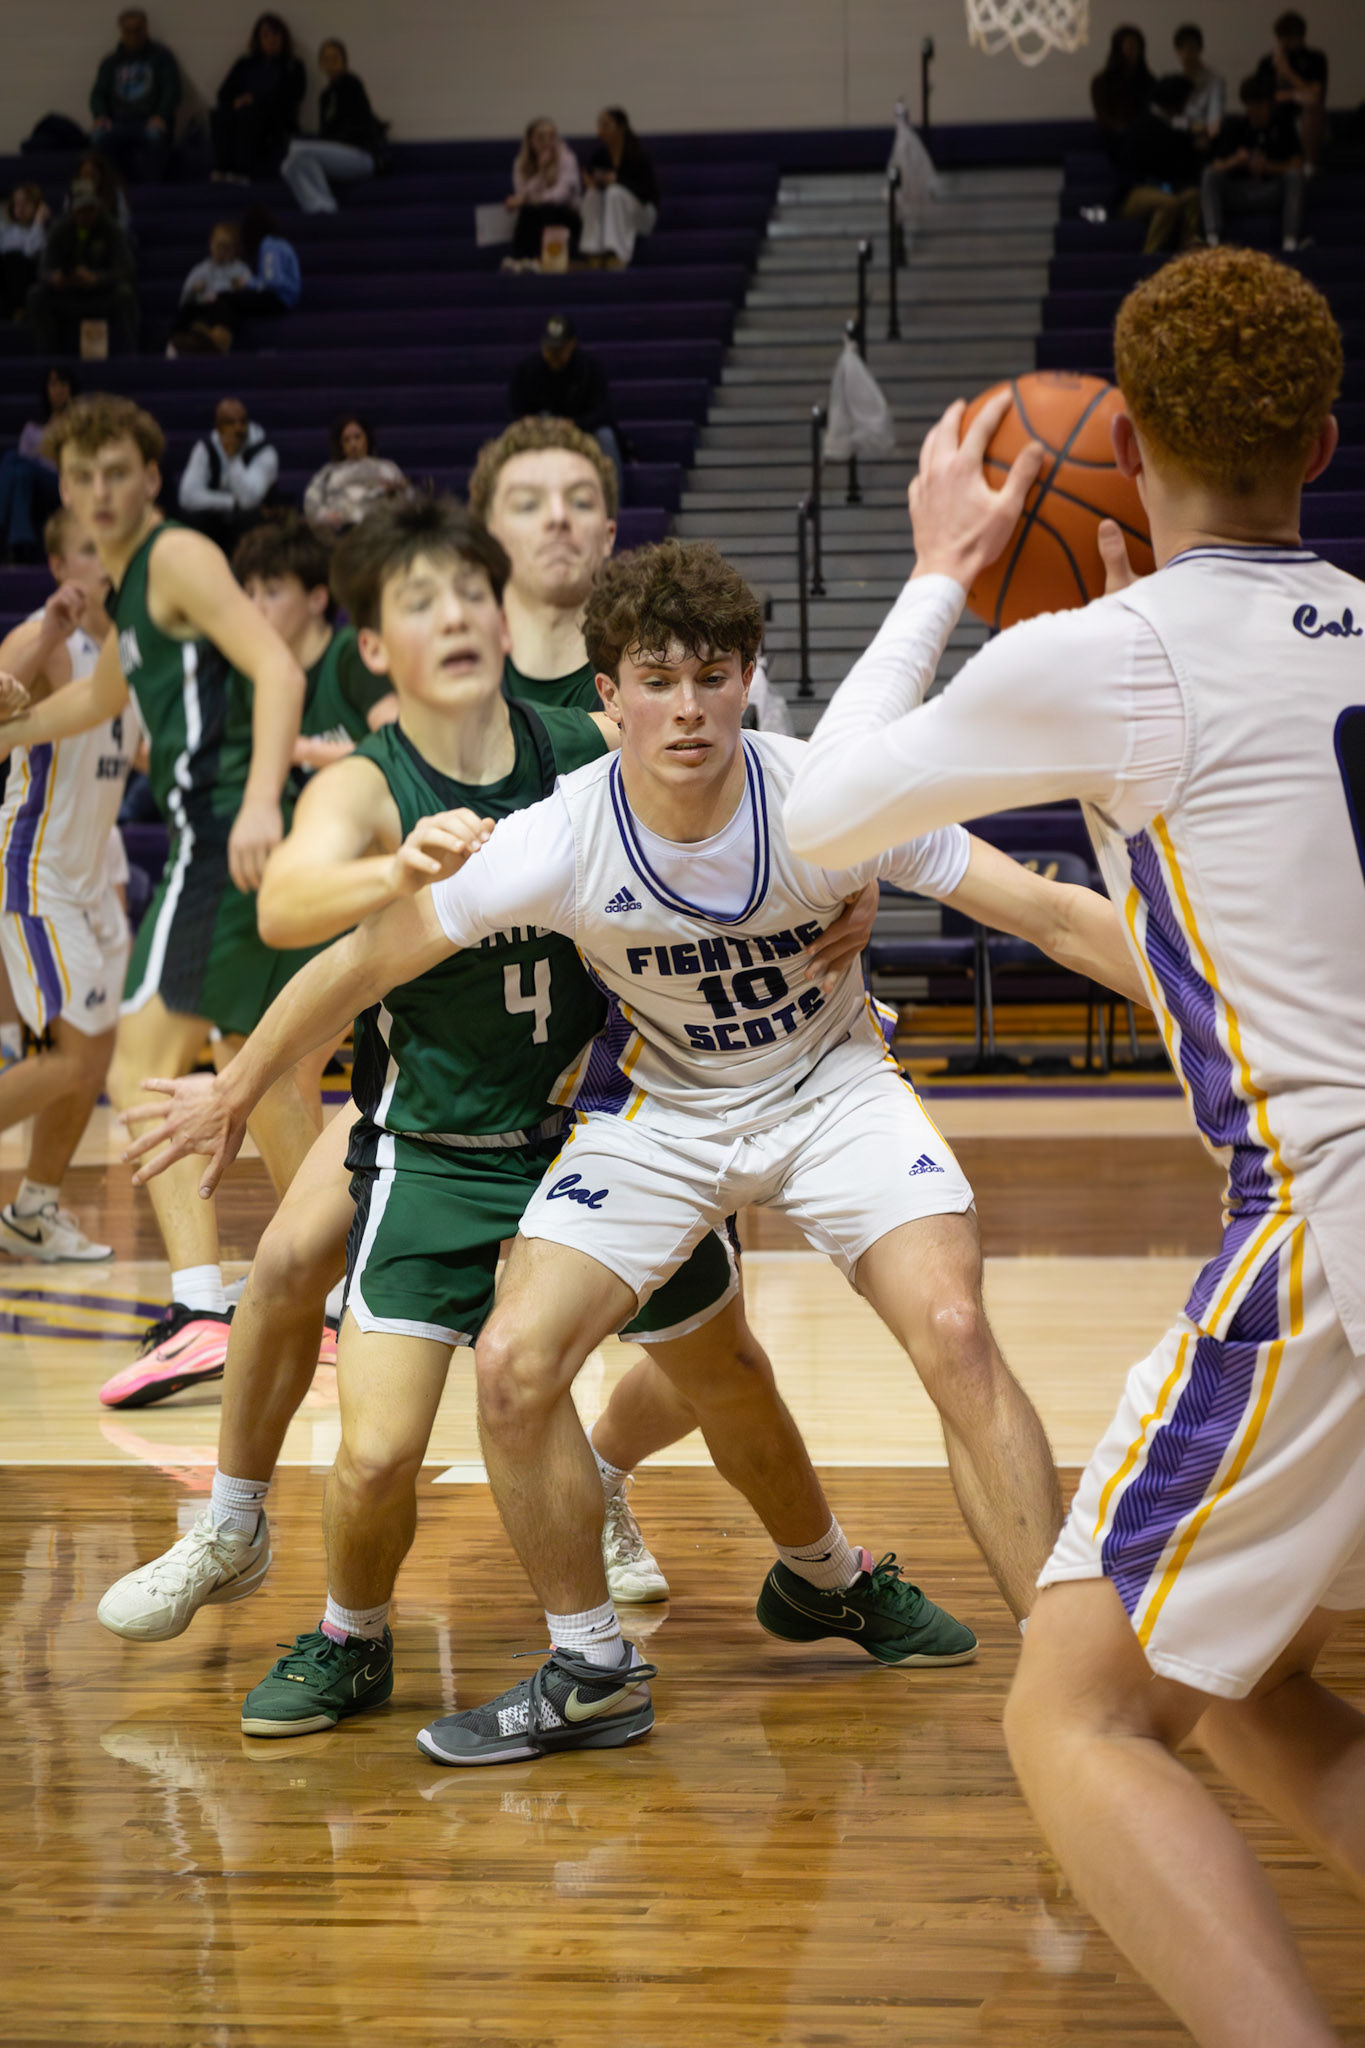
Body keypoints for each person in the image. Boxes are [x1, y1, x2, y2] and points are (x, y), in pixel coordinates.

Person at [123, 527, 1149, 1762]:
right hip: (669, 1111)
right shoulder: (560, 833)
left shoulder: (827, 800)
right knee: (514, 1360)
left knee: (952, 1324)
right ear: (607, 697)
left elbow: (1053, 913)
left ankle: (1069, 1673)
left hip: (834, 1087)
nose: (689, 706)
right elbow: (362, 959)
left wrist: (1229, 1013)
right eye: (658, 680)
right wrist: (234, 1087)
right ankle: (592, 1669)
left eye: (713, 675)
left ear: (750, 678)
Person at [782, 247, 1364, 2048]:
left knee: (1074, 1705)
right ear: (1321, 442)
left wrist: (944, 574)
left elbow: (815, 817)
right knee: (1243, 1677)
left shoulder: (1116, 655)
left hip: (1329, 1222)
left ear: (1131, 437)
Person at [0, 393, 318, 1397]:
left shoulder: (174, 556)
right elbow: (100, 699)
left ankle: (199, 1310)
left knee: (138, 1063)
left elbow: (277, 669)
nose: (98, 491)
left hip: (219, 832)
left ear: (150, 475)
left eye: (115, 472)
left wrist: (258, 801)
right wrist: (10, 730)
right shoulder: (131, 589)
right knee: (262, 1067)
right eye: (80, 476)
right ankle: (332, 1287)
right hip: (221, 833)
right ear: (65, 488)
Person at [0, 507, 137, 1262]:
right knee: (66, 1054)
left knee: (92, 1054)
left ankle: (33, 1210)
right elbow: (7, 678)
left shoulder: (128, 657)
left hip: (86, 887)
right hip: (36, 872)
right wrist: (51, 625)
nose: (104, 561)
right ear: (57, 568)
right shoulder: (55, 641)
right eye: (87, 551)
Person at [229, 511, 397, 779]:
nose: (256, 608)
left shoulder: (351, 654)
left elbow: (400, 750)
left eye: (272, 592)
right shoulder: (251, 675)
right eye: (250, 593)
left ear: (317, 599)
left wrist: (306, 751)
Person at [26, 178, 138, 356]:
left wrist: (96, 278)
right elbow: (44, 270)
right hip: (68, 294)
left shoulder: (111, 228)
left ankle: (130, 358)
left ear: (97, 208)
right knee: (36, 296)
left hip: (99, 294)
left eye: (90, 209)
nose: (86, 215)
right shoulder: (59, 229)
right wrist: (55, 278)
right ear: (72, 210)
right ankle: (49, 361)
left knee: (125, 295)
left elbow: (126, 269)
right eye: (81, 210)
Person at [507, 317, 623, 484]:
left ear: (572, 344)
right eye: (550, 349)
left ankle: (614, 497)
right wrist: (532, 422)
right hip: (539, 432)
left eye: (560, 349)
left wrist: (575, 424)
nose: (554, 355)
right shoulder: (527, 370)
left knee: (606, 436)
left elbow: (603, 412)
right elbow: (513, 412)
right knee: (512, 437)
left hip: (581, 430)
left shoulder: (589, 369)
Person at [1202, 74, 1307, 254]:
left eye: (1260, 104)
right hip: (1239, 192)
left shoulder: (1283, 126)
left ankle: (1290, 239)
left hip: (1271, 191)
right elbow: (1216, 165)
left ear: (1269, 104)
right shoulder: (1234, 127)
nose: (1256, 110)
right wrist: (1236, 161)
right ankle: (1212, 239)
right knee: (1210, 175)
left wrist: (1268, 167)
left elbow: (1297, 165)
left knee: (1295, 177)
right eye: (1251, 105)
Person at [281, 39, 384, 214]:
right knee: (288, 164)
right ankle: (319, 207)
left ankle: (325, 204)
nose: (331, 62)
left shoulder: (352, 84)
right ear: (321, 63)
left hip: (359, 153)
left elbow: (360, 123)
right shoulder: (325, 96)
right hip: (337, 153)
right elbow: (325, 134)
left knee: (297, 149)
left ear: (344, 60)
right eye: (326, 59)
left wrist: (334, 141)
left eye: (335, 57)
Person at [89, 8, 181, 184]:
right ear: (121, 31)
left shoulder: (161, 58)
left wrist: (161, 115)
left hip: (148, 119)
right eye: (128, 31)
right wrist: (100, 115)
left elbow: (172, 91)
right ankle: (113, 186)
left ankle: (153, 189)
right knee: (98, 136)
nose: (133, 36)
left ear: (145, 29)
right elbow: (98, 93)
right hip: (117, 121)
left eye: (137, 30)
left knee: (154, 135)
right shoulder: (111, 62)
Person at [211, 14, 305, 185]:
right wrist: (235, 101)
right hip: (241, 113)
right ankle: (222, 168)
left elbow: (291, 96)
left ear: (283, 38)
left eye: (276, 35)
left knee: (249, 113)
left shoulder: (292, 66)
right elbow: (223, 93)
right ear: (258, 39)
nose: (271, 40)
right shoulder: (245, 64)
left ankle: (242, 171)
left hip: (274, 119)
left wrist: (256, 100)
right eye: (266, 35)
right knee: (221, 113)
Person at [177, 397, 279, 552]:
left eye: (242, 421)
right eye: (230, 423)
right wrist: (229, 502)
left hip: (250, 525)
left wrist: (233, 458)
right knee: (193, 518)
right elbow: (187, 496)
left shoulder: (264, 451)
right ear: (218, 427)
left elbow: (248, 501)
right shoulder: (205, 449)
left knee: (248, 517)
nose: (238, 428)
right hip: (216, 523)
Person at [1118, 74, 1203, 254]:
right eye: (1186, 101)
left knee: (1193, 196)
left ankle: (1188, 254)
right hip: (1136, 190)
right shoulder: (1143, 126)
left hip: (1171, 187)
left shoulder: (1176, 126)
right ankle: (1149, 256)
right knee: (1169, 204)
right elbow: (1144, 168)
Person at [0, 368, 73, 563]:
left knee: (11, 458)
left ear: (70, 388)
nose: (58, 389)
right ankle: (19, 544)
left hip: (60, 482)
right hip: (33, 484)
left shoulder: (75, 424)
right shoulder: (32, 429)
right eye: (53, 384)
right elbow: (19, 472)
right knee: (20, 473)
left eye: (62, 384)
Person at [579, 108, 658, 269]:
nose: (601, 129)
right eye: (599, 125)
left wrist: (618, 181)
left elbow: (648, 193)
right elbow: (591, 178)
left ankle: (617, 252)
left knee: (614, 192)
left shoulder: (638, 156)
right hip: (610, 213)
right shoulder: (600, 156)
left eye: (606, 125)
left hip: (641, 214)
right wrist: (591, 183)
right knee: (593, 194)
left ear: (621, 127)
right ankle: (594, 251)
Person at [303, 415, 406, 537]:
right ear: (341, 445)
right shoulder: (328, 473)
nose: (353, 444)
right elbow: (311, 503)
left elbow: (406, 501)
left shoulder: (387, 468)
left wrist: (393, 494)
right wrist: (325, 516)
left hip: (380, 534)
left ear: (367, 438)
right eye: (346, 440)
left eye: (357, 437)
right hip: (340, 535)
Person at [1252, 10, 1329, 174]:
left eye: (1290, 36)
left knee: (1311, 104)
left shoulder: (1315, 58)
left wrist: (1287, 72)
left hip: (1305, 112)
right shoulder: (1268, 61)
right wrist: (1295, 94)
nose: (1285, 42)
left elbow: (1316, 93)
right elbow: (1261, 94)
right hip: (1275, 110)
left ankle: (1309, 165)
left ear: (1301, 36)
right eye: (1281, 37)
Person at [504, 116, 581, 271]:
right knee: (530, 210)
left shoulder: (567, 158)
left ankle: (536, 259)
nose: (547, 142)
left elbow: (561, 195)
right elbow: (521, 194)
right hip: (534, 215)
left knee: (543, 208)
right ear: (530, 141)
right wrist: (541, 171)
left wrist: (531, 200)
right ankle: (523, 260)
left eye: (552, 136)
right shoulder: (520, 163)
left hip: (566, 216)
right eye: (540, 137)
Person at [170, 220, 253, 351]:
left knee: (224, 305)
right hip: (204, 307)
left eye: (226, 247)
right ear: (211, 244)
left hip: (224, 310)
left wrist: (242, 287)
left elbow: (252, 292)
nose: (221, 251)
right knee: (187, 311)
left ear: (235, 248)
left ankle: (217, 341)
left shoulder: (241, 269)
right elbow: (184, 298)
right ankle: (174, 346)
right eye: (218, 245)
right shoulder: (200, 269)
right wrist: (194, 290)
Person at [1091, 25, 1157, 162]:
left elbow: (1153, 110)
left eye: (1137, 46)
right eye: (1129, 46)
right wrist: (1124, 129)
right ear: (1119, 49)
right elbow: (1102, 114)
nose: (1134, 51)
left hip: (1144, 136)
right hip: (1114, 137)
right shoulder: (1102, 81)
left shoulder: (1148, 80)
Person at [1, 184, 50, 321]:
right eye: (17, 203)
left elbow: (31, 252)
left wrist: (38, 221)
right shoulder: (6, 230)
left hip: (31, 278)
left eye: (26, 203)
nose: (20, 208)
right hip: (8, 283)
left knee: (15, 259)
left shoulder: (43, 229)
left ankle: (22, 310)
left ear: (38, 206)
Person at [1173, 23, 1226, 143]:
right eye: (1182, 48)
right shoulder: (1173, 80)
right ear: (1177, 51)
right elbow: (1168, 119)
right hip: (1177, 137)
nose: (1186, 54)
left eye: (1191, 48)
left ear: (1200, 49)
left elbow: (1214, 120)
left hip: (1204, 138)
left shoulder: (1215, 80)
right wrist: (1190, 126)